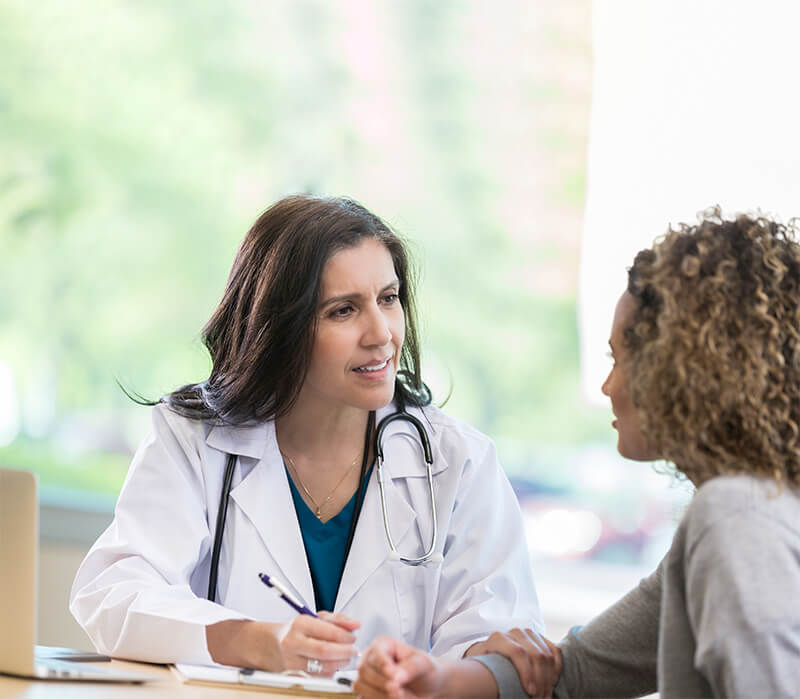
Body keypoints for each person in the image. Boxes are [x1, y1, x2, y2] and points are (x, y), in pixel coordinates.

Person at [69, 195, 542, 674]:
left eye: (388, 298)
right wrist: (255, 640)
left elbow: (498, 647)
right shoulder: (194, 439)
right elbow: (113, 593)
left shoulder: (457, 462)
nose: (381, 334)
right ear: (280, 327)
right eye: (343, 310)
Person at [354, 209, 800, 698]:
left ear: (686, 370)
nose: (608, 386)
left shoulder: (735, 516)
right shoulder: (739, 513)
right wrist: (436, 677)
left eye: (621, 359)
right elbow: (579, 671)